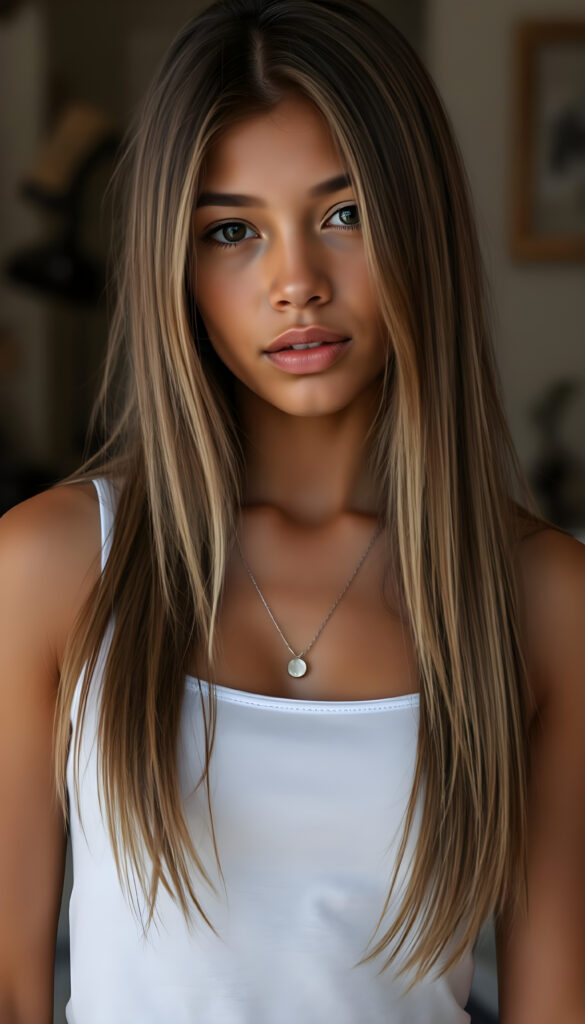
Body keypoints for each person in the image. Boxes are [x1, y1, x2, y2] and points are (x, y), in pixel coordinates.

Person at [1, 1, 584, 1021]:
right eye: (232, 231)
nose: (296, 283)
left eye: (344, 214)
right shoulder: (53, 564)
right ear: (175, 269)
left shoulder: (544, 599)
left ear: (422, 225)